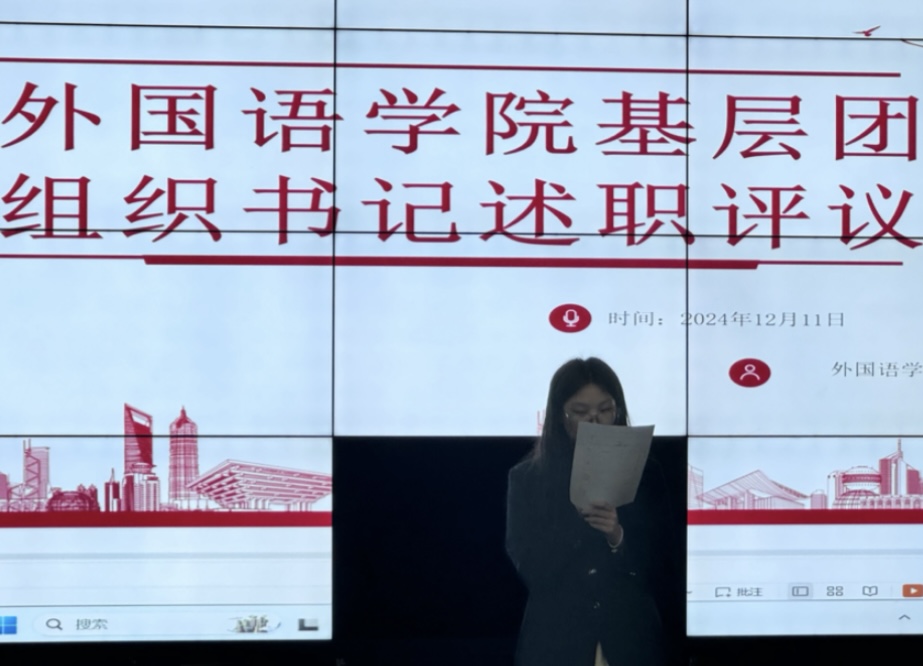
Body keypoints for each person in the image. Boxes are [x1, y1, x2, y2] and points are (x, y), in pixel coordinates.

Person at [506, 357, 669, 666]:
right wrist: (578, 524)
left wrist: (617, 537)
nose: (595, 421)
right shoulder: (528, 478)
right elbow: (530, 567)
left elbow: (661, 562)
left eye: (605, 410)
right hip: (557, 641)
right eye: (580, 412)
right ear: (559, 415)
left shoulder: (646, 473)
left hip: (630, 638)